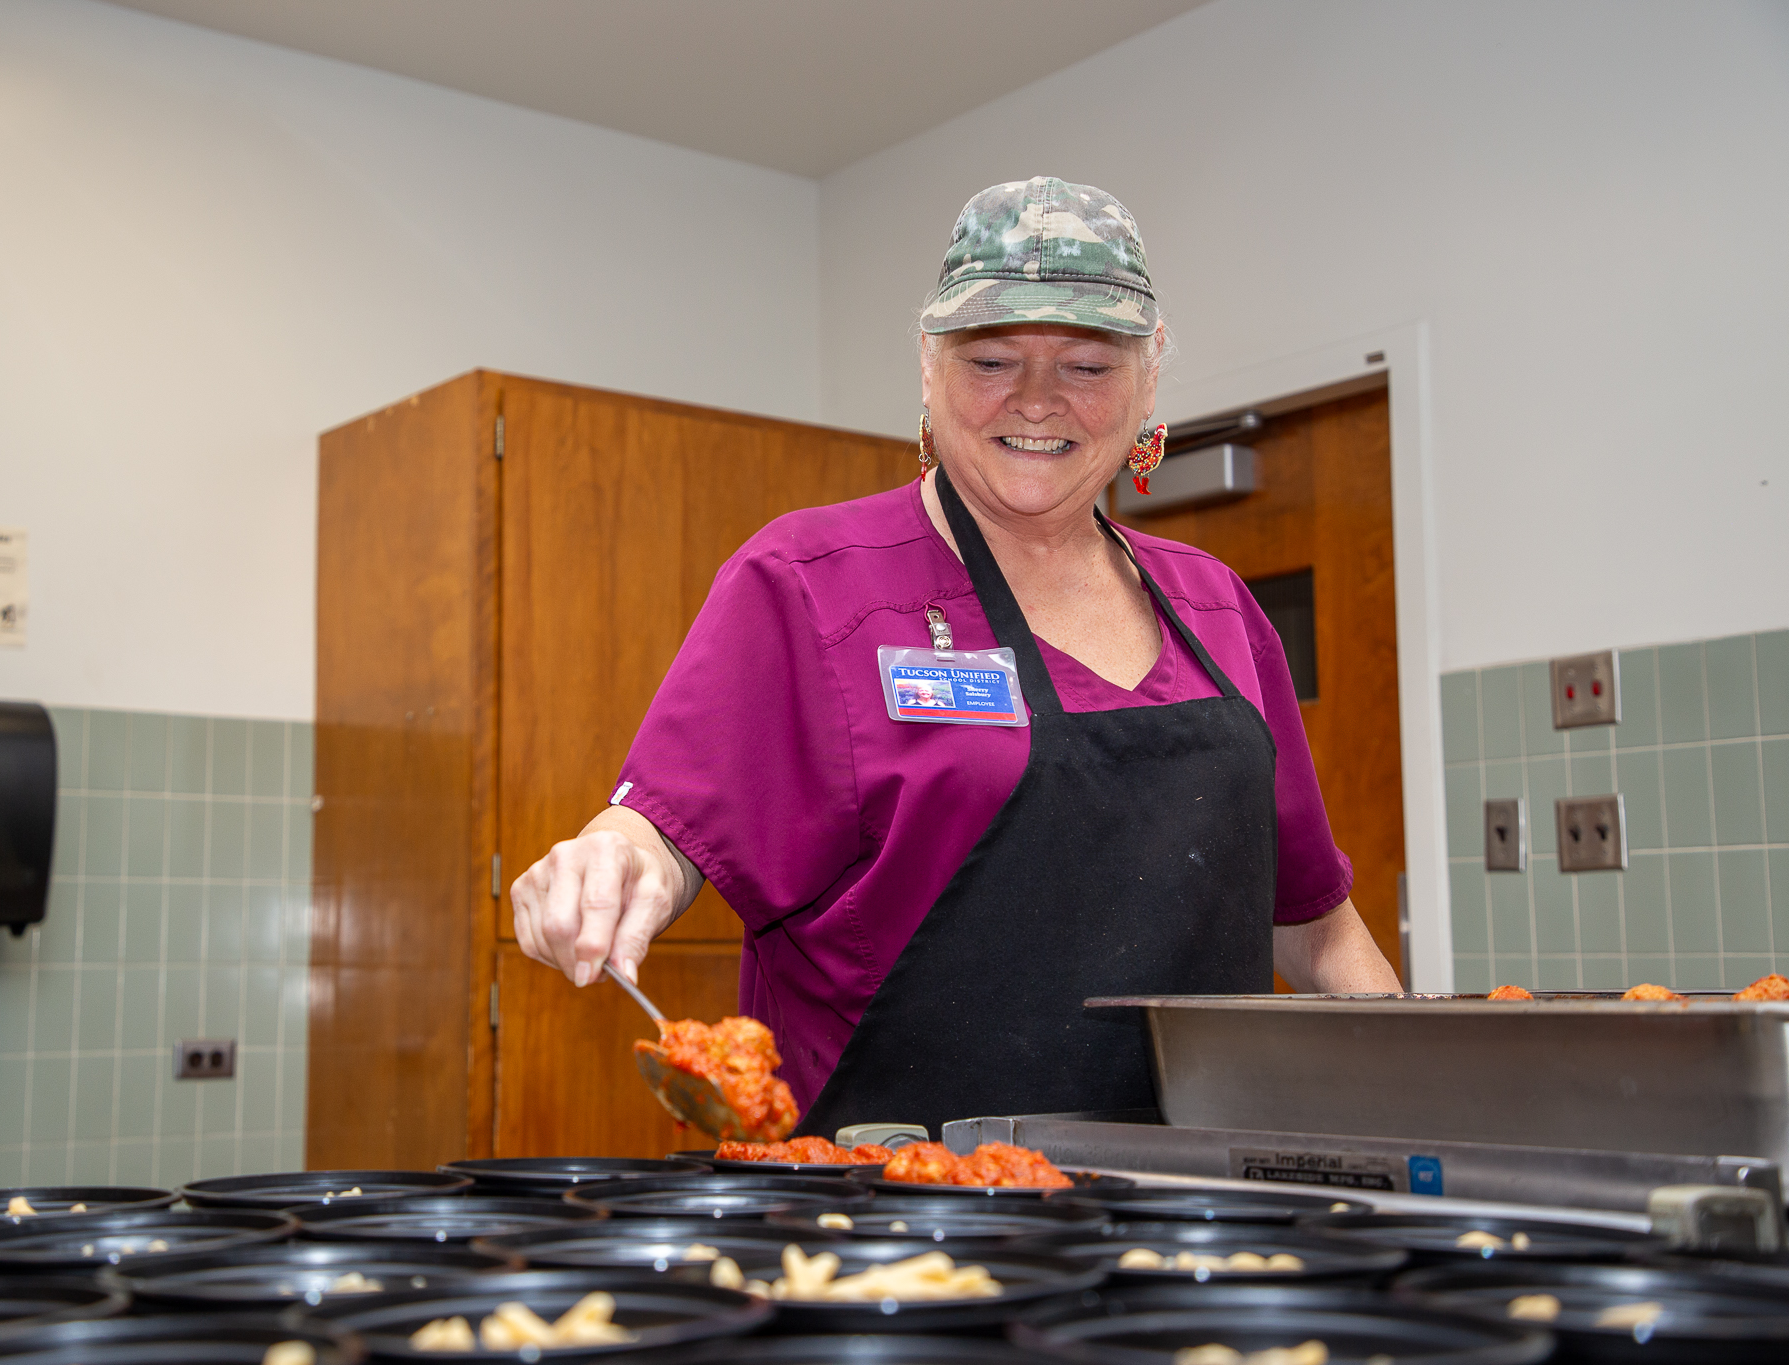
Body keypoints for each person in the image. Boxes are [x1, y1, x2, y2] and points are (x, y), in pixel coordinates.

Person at [511, 176, 1401, 1138]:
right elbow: (667, 834)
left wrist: (1429, 1114)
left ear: (1147, 390)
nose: (1037, 399)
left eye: (1088, 366)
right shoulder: (808, 584)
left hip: (1196, 1215)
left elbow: (1314, 922)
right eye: (991, 359)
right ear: (929, 373)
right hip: (900, 1218)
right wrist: (610, 860)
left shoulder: (1217, 607)